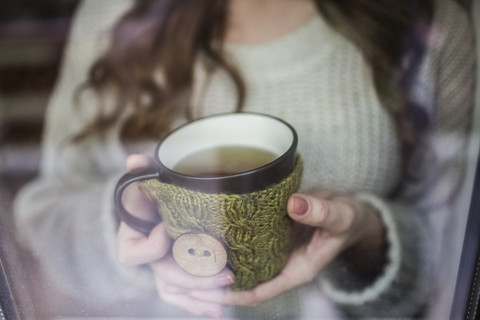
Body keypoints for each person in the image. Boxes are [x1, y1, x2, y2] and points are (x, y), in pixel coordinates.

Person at [13, 0, 475, 318]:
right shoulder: (115, 15)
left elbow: (455, 249)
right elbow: (44, 217)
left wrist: (366, 237)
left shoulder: (424, 24)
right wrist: (133, 226)